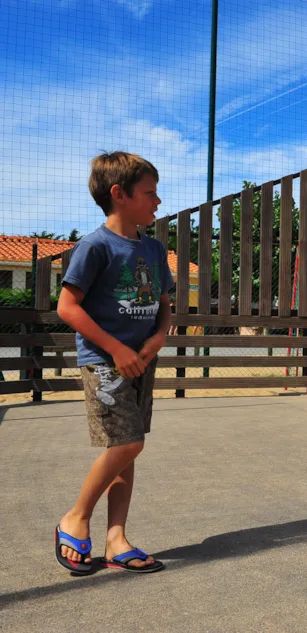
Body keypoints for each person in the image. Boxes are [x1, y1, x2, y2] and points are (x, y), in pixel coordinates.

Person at [54, 152, 173, 574]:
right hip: (105, 362)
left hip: (141, 361)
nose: (158, 202)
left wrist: (158, 338)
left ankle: (116, 538)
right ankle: (76, 517)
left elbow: (164, 305)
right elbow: (67, 307)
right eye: (150, 193)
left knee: (126, 450)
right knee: (128, 443)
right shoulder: (96, 246)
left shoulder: (155, 250)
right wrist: (116, 348)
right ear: (119, 195)